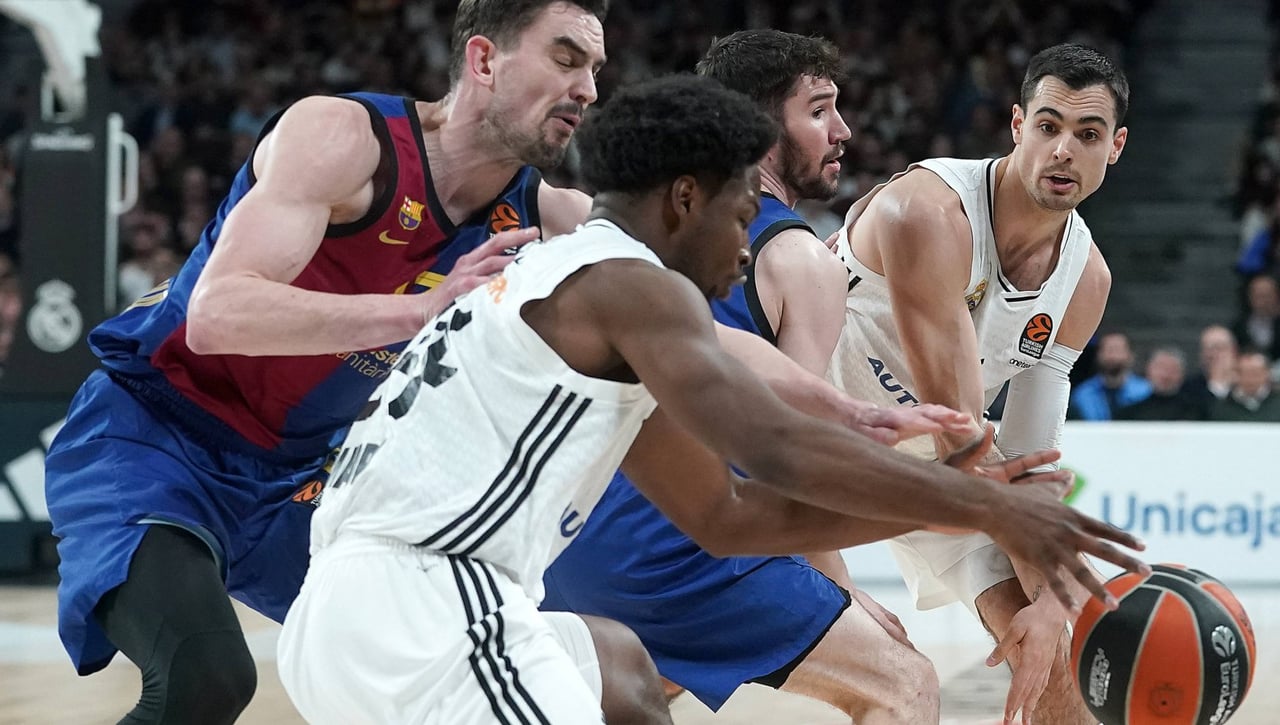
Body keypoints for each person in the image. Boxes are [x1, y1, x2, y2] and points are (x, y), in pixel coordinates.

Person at [277, 73, 1148, 725]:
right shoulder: (629, 285)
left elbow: (729, 515)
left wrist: (952, 498)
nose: (747, 245)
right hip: (422, 610)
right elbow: (776, 450)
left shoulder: (578, 283)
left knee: (622, 672)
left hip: (370, 606)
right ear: (685, 199)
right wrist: (987, 507)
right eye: (741, 215)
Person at [42, 1, 626, 722]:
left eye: (595, 70)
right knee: (205, 675)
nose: (587, 89)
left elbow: (681, 304)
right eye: (566, 59)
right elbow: (217, 314)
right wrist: (421, 310)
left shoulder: (551, 219)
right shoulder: (345, 138)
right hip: (156, 434)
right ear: (483, 60)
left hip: (303, 482)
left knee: (453, 662)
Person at [544, 30, 945, 721]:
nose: (843, 131)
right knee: (904, 682)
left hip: (568, 541)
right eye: (819, 110)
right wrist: (841, 588)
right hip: (679, 553)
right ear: (760, 129)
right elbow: (792, 454)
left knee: (641, 693)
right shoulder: (801, 260)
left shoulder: (641, 223)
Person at [826, 43, 1132, 724]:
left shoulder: (1086, 278)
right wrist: (1054, 576)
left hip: (931, 465)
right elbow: (961, 435)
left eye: (1088, 135)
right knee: (670, 651)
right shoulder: (928, 210)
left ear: (1115, 147)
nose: (1063, 151)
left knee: (1059, 655)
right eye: (1048, 126)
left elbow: (1030, 456)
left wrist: (1051, 604)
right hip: (802, 438)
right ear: (1018, 126)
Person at [1069, 332, 1151, 420]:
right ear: (1098, 355)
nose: (1113, 356)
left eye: (1118, 350)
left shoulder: (1146, 391)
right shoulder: (1082, 394)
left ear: (1130, 355)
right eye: (1108, 350)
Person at [1114, 346, 1207, 420]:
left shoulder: (1197, 413)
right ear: (1148, 371)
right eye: (1160, 368)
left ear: (1182, 374)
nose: (1165, 375)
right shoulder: (1129, 414)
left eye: (1172, 369)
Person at [1210, 350, 1280, 421]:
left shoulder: (1277, 402)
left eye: (1255, 373)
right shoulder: (1223, 406)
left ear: (1267, 373)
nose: (1250, 379)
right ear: (1235, 374)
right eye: (1245, 373)